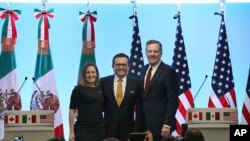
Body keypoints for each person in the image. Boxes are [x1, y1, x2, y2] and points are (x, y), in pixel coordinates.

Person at [140, 39, 179, 141]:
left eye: (155, 51)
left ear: (161, 53)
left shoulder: (169, 71)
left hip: (161, 126)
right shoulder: (144, 69)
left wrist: (167, 124)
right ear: (146, 53)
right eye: (149, 51)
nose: (152, 54)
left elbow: (173, 100)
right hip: (143, 124)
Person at [100, 53, 143, 141]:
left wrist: (136, 131)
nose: (121, 67)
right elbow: (98, 105)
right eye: (118, 65)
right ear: (112, 66)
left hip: (129, 130)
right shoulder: (103, 82)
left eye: (124, 65)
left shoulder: (137, 83)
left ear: (128, 66)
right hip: (107, 130)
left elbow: (139, 109)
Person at [69, 62, 105, 141]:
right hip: (83, 130)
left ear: (97, 74)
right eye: (88, 72)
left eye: (93, 72)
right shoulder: (78, 89)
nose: (91, 74)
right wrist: (71, 132)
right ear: (84, 75)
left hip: (100, 129)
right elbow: (72, 111)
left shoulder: (101, 88)